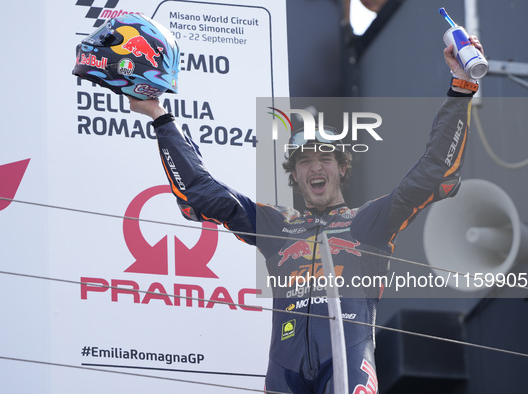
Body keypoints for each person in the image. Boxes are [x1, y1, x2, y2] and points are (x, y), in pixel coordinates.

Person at [129, 38, 483, 393]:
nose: (316, 167)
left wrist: (462, 87)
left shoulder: (369, 221)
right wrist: (160, 116)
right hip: (285, 372)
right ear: (294, 175)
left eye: (325, 158)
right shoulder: (276, 225)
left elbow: (432, 173)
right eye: (304, 160)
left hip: (348, 364)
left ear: (342, 168)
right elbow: (202, 192)